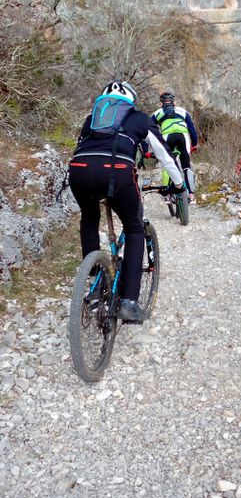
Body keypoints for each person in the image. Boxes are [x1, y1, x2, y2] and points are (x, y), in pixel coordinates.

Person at [69, 80, 184, 324]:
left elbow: (82, 146)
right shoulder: (139, 117)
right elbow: (163, 153)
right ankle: (129, 302)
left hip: (79, 170)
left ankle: (93, 281)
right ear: (130, 99)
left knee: (89, 218)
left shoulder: (92, 118)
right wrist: (179, 184)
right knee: (133, 228)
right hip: (116, 170)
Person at [151, 91, 198, 204]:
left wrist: (149, 149)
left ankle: (168, 195)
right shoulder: (182, 111)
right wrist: (194, 144)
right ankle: (191, 196)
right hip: (183, 137)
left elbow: (150, 130)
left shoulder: (157, 113)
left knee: (168, 164)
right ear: (173, 102)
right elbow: (192, 129)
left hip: (167, 137)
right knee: (186, 166)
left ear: (161, 103)